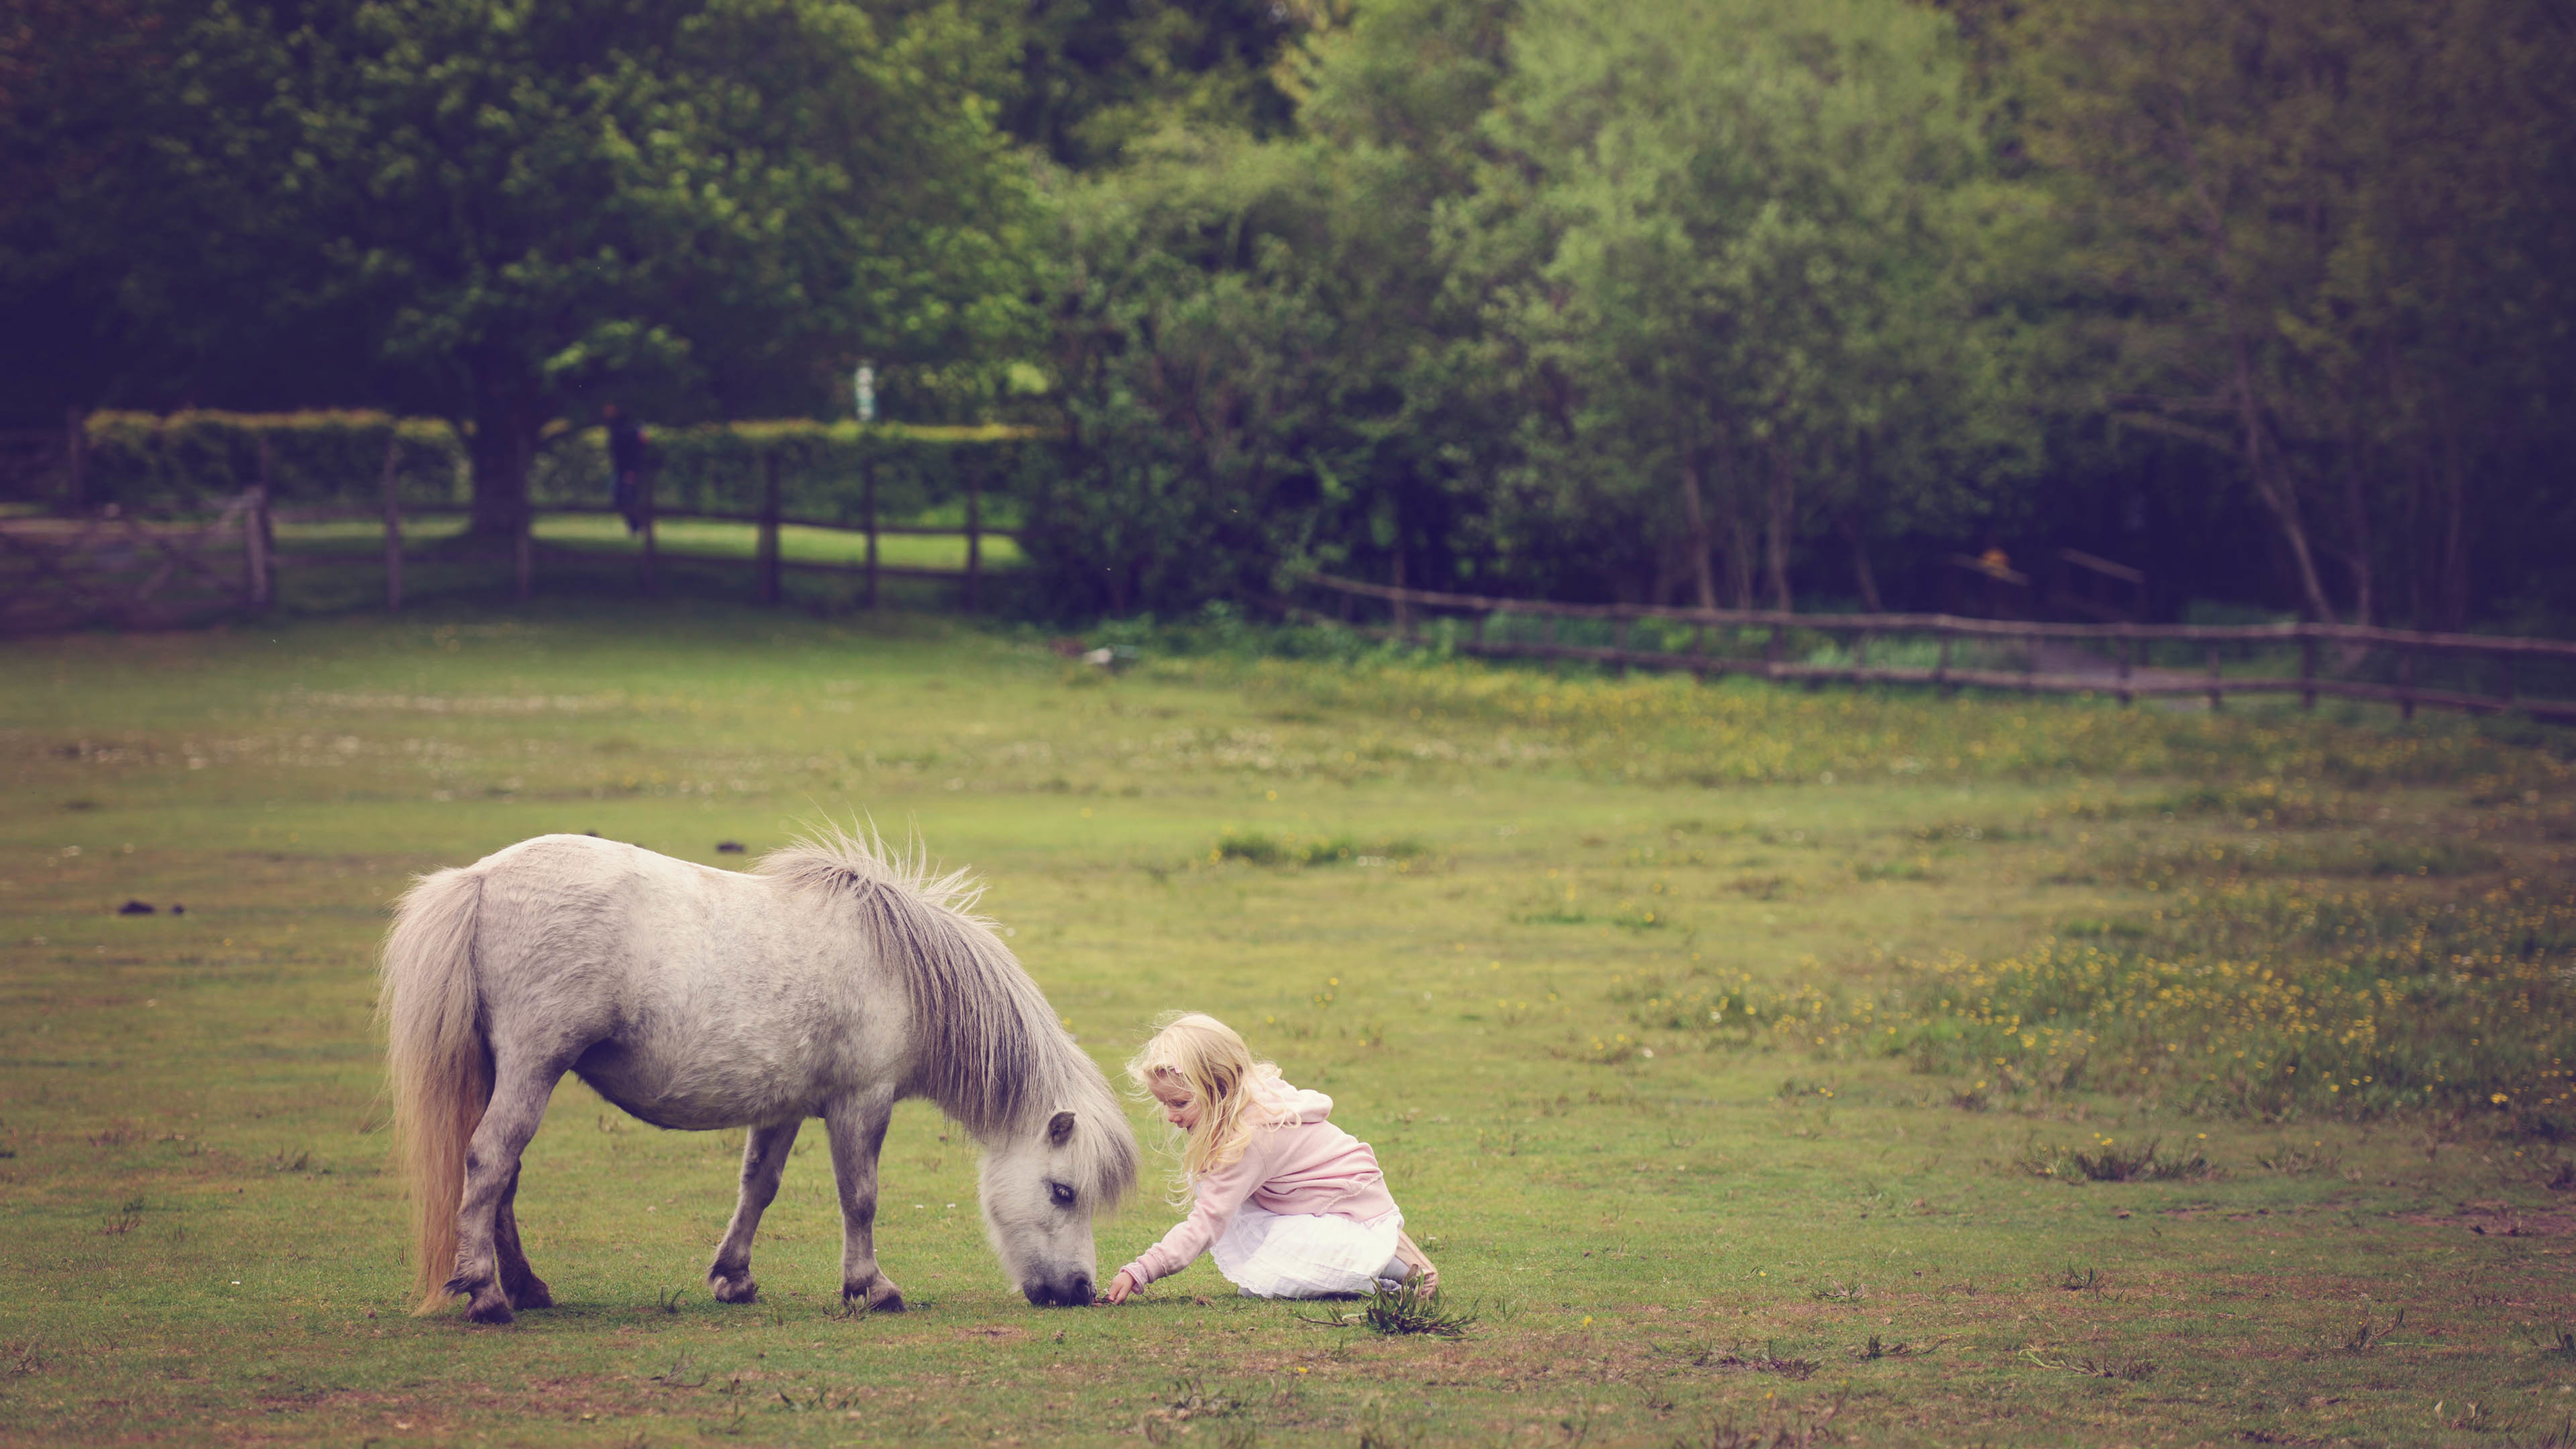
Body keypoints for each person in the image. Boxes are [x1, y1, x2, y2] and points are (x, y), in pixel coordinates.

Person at [1102, 1012, 1436, 1303]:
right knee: (1265, 1280)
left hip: (1350, 1216)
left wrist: (1142, 1270)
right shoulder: (1247, 1101)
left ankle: (1395, 1267)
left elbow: (1207, 1221)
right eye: (1165, 1105)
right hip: (1313, 1206)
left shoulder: (1249, 1139)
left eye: (1179, 1103)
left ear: (1218, 1090)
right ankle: (1370, 1266)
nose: (1172, 1117)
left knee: (1281, 1275)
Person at [604, 404, 648, 534]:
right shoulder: (617, 427)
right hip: (622, 469)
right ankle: (636, 526)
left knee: (626, 498)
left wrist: (631, 471)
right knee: (621, 498)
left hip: (627, 470)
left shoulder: (624, 429)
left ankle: (637, 526)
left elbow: (631, 451)